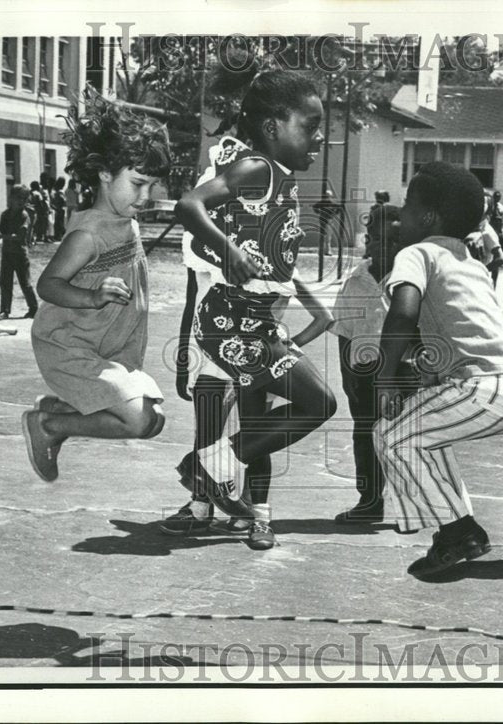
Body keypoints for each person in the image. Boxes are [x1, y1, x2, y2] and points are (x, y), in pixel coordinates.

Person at [174, 67, 336, 550]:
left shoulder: (279, 178)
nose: (320, 136)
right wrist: (230, 251)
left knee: (313, 404)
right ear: (272, 128)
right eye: (308, 125)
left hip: (256, 326)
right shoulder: (258, 170)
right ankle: (209, 472)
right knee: (318, 403)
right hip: (231, 324)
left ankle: (213, 471)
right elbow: (189, 205)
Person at [373, 162, 503, 580]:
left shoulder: (416, 253)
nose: (400, 214)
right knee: (423, 437)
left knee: (390, 434)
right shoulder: (471, 261)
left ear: (427, 217)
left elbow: (402, 315)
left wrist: (387, 377)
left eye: (408, 205)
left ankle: (459, 531)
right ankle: (455, 533)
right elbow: (469, 327)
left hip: (483, 387)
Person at [20, 90, 172, 482]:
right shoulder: (88, 235)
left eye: (152, 185)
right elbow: (48, 284)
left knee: (154, 420)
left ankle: (59, 410)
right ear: (105, 173)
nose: (146, 196)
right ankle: (50, 425)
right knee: (138, 421)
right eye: (137, 183)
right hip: (70, 345)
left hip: (111, 347)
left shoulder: (128, 222)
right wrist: (90, 295)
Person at [329, 204, 418, 523]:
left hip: (403, 375)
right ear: (368, 238)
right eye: (379, 238)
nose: (386, 246)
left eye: (396, 240)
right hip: (363, 373)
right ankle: (369, 500)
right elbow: (343, 328)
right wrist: (346, 373)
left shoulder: (411, 280)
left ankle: (413, 507)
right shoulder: (355, 279)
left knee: (404, 438)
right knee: (365, 434)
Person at [0, 184, 39, 320]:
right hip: (7, 252)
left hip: (20, 253)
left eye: (24, 198)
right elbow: (2, 231)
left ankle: (34, 309)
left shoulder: (24, 216)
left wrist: (1, 236)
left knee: (25, 283)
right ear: (11, 198)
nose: (21, 201)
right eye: (19, 198)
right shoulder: (5, 215)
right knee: (5, 282)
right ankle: (4, 310)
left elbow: (19, 237)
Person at [463, 214, 503, 287]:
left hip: (479, 277)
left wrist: (482, 270)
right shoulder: (477, 229)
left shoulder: (487, 232)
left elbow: (500, 258)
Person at [52, 176, 68, 241]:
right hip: (60, 208)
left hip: (57, 208)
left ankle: (57, 235)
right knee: (60, 222)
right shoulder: (60, 191)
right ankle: (58, 235)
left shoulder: (55, 190)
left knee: (58, 222)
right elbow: (63, 200)